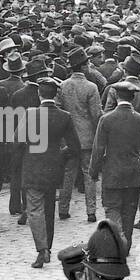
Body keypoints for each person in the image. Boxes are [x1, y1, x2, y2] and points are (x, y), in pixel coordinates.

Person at [22, 77, 79, 268]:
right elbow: (74, 147)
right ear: (55, 95)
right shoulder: (65, 116)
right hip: (53, 169)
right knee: (49, 210)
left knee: (35, 209)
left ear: (39, 94)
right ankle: (49, 247)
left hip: (32, 168)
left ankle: (42, 249)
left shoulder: (30, 114)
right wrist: (60, 157)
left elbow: (17, 142)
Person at [89, 80, 140, 246]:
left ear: (116, 96)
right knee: (130, 211)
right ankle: (126, 244)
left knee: (113, 208)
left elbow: (98, 149)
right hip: (134, 172)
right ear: (133, 97)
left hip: (113, 171)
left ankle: (118, 243)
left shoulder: (106, 119)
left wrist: (93, 172)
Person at [54, 50, 102, 226]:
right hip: (88, 137)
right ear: (83, 66)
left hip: (69, 138)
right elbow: (96, 114)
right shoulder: (91, 87)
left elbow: (58, 110)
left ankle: (63, 209)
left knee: (68, 174)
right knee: (89, 175)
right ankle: (91, 212)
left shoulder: (63, 86)